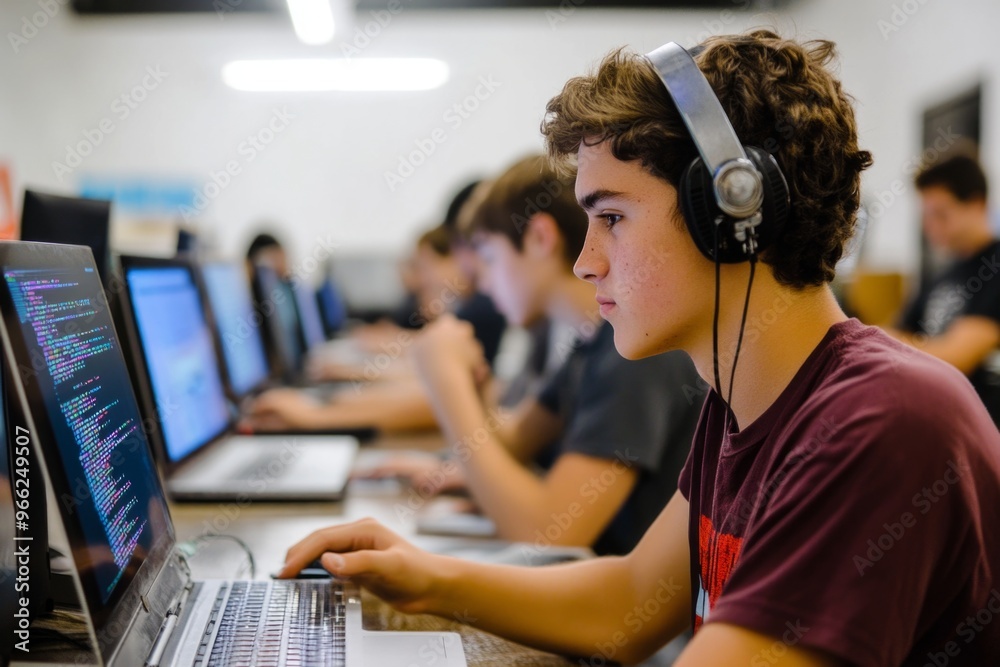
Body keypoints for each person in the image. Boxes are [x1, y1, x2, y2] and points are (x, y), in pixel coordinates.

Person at [279, 31, 1000, 666]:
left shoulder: (883, 422)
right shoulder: (743, 402)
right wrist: (424, 574)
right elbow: (627, 601)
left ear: (728, 216)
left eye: (613, 218)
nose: (586, 260)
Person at [374, 155, 701, 555]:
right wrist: (470, 387)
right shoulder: (591, 343)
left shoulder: (635, 352)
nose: (486, 284)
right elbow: (512, 443)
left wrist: (447, 384)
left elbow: (549, 535)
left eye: (490, 260)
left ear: (539, 239)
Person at [889, 153, 1000, 427]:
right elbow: (897, 331)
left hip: (980, 431)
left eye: (940, 214)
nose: (930, 227)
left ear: (976, 204)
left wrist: (881, 340)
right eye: (926, 215)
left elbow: (956, 356)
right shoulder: (941, 275)